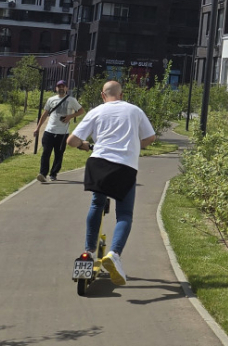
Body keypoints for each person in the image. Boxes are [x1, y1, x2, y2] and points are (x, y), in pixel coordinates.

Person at [68, 80, 156, 286]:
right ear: (121, 95)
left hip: (98, 164)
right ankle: (114, 254)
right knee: (124, 214)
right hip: (124, 167)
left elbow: (71, 141)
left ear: (102, 95)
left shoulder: (96, 111)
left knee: (97, 204)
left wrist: (85, 145)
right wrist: (134, 145)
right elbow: (151, 137)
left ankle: (89, 251)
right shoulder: (134, 110)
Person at [35, 80, 84, 182]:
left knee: (59, 154)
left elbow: (81, 111)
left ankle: (53, 173)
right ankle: (43, 174)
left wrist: (70, 116)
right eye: (59, 86)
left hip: (62, 133)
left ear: (66, 88)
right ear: (56, 88)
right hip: (49, 131)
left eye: (63, 86)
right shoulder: (51, 100)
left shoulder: (71, 100)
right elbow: (45, 114)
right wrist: (38, 128)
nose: (61, 88)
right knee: (46, 152)